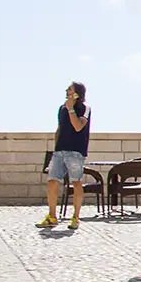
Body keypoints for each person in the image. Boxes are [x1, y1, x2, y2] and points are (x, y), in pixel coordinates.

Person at [37, 82, 92, 230]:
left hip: (75, 151)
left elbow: (78, 126)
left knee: (76, 183)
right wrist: (55, 148)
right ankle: (52, 216)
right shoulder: (61, 109)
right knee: (52, 181)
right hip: (59, 151)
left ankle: (75, 217)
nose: (66, 91)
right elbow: (60, 128)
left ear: (77, 93)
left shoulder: (84, 109)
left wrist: (71, 109)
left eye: (70, 89)